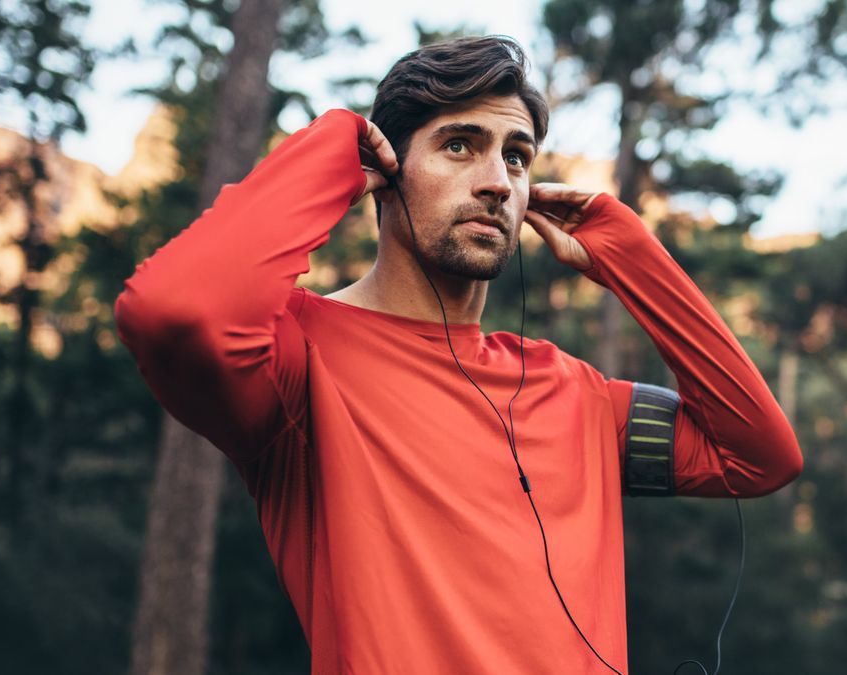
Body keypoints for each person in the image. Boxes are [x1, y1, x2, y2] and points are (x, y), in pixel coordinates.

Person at [115, 35, 802, 675]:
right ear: (383, 168)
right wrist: (333, 146)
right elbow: (173, 310)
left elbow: (759, 454)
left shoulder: (576, 394)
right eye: (459, 146)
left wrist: (631, 255)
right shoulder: (297, 359)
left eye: (516, 155)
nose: (499, 181)